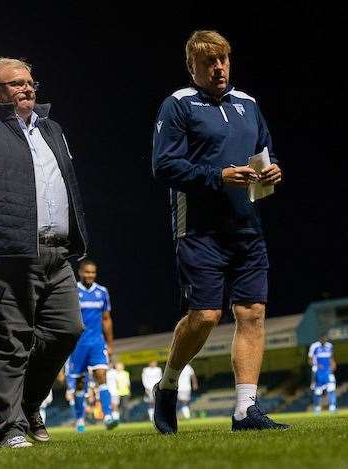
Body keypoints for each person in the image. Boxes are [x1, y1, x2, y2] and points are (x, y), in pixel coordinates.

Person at [0, 57, 89, 448]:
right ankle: (11, 428)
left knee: (67, 330)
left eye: (30, 82)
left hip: (56, 254)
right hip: (6, 254)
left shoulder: (52, 130)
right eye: (15, 84)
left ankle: (26, 404)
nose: (26, 88)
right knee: (8, 340)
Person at [151, 30, 288, 433]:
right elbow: (163, 166)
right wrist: (218, 175)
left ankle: (245, 410)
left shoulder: (248, 104)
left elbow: (265, 150)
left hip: (247, 226)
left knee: (253, 312)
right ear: (192, 67)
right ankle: (169, 384)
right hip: (198, 228)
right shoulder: (178, 105)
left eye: (223, 59)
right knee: (206, 316)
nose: (219, 68)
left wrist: (272, 168)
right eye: (209, 62)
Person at [68, 259, 117, 432]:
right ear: (80, 272)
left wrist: (110, 345)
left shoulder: (102, 292)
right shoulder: (72, 291)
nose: (90, 275)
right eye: (87, 272)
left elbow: (106, 319)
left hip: (97, 342)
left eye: (93, 272)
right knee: (80, 383)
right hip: (78, 345)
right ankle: (80, 419)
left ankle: (108, 416)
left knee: (101, 375)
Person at [308, 335, 337, 413]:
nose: (324, 340)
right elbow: (310, 360)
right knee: (318, 390)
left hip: (328, 371)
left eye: (325, 338)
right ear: (320, 339)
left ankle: (332, 407)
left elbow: (331, 357)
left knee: (332, 388)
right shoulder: (314, 346)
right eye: (322, 338)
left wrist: (333, 364)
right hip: (318, 371)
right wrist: (317, 365)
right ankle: (317, 407)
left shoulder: (329, 346)